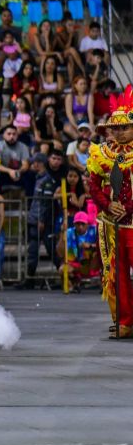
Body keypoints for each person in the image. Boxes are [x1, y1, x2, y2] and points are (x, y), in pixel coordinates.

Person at [88, 86, 133, 337]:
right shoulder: (101, 153)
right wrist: (108, 205)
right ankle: (124, 321)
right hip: (110, 224)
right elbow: (94, 186)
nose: (119, 132)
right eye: (115, 128)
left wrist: (126, 208)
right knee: (116, 274)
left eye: (125, 127)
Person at [21, 152, 63, 288]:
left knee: (51, 249)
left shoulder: (47, 180)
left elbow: (46, 203)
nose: (33, 164)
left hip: (42, 221)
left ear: (40, 163)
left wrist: (42, 220)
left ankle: (66, 276)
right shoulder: (38, 178)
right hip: (35, 219)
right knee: (33, 250)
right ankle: (29, 279)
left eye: (35, 162)